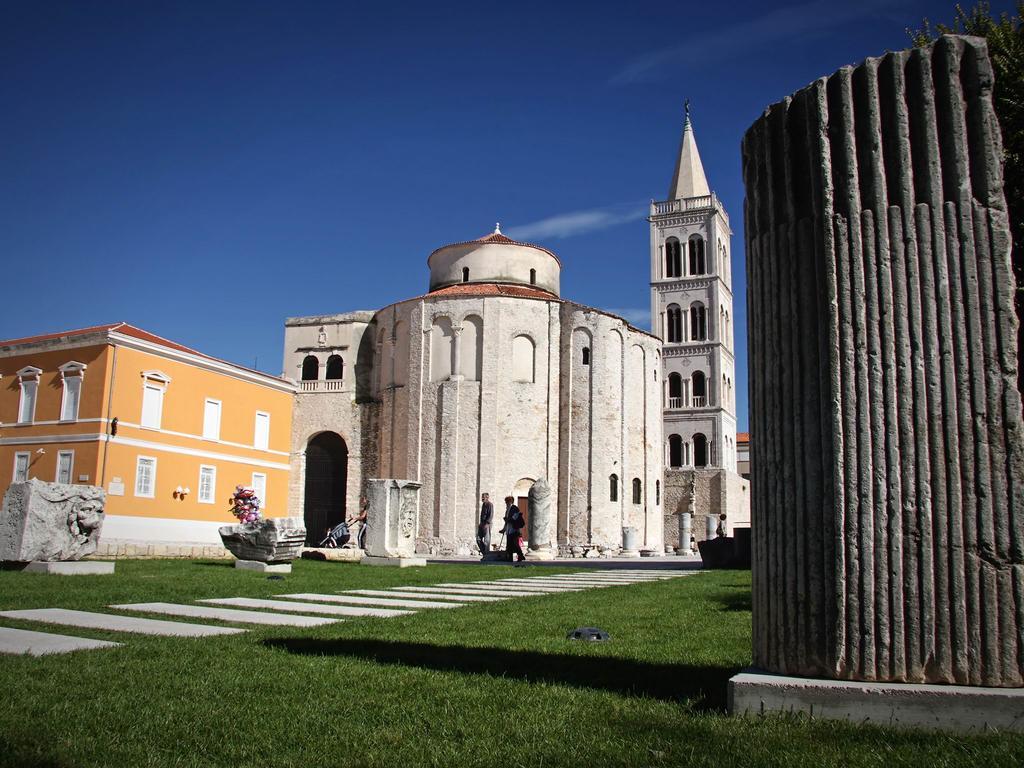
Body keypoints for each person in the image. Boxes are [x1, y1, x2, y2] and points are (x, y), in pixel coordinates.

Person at [502, 495, 526, 564]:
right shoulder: (507, 510)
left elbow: (514, 518)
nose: (506, 503)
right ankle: (510, 558)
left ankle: (520, 555)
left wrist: (508, 520)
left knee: (515, 544)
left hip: (514, 529)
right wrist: (504, 529)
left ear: (511, 501)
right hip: (509, 530)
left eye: (507, 501)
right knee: (509, 544)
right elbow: (507, 521)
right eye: (506, 502)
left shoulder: (515, 508)